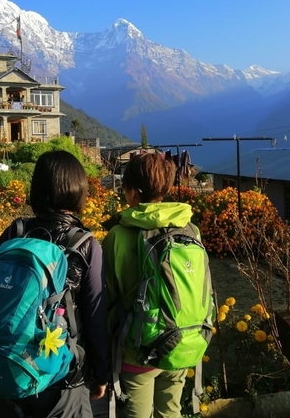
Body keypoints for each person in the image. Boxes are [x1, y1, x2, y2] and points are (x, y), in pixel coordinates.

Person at [0, 150, 108, 418]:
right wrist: (101, 373)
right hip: (59, 375)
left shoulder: (14, 232)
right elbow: (95, 315)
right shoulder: (84, 244)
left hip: (7, 366)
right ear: (78, 189)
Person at [102, 152, 198, 418]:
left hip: (138, 350)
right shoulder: (189, 229)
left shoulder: (118, 236)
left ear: (131, 191)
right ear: (166, 188)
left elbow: (108, 298)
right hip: (181, 340)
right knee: (171, 412)